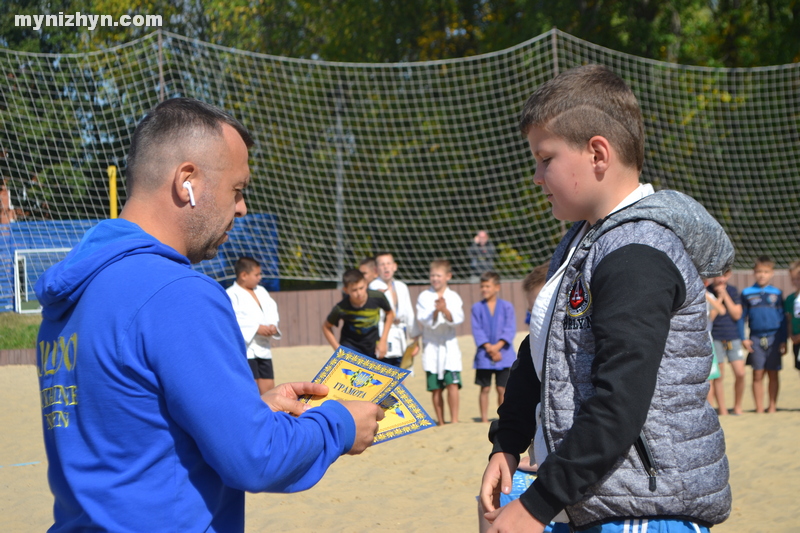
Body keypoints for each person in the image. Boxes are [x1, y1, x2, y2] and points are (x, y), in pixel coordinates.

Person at [34, 98, 384, 532]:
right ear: (188, 181)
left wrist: (246, 409)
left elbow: (132, 435)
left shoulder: (73, 292)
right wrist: (341, 424)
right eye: (237, 190)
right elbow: (257, 458)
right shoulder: (177, 292)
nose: (241, 208)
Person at [479, 65, 732, 533]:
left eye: (545, 158)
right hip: (594, 503)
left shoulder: (638, 253)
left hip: (642, 511)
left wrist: (537, 505)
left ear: (597, 153)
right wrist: (507, 443)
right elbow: (541, 353)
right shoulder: (583, 242)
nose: (536, 176)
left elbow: (621, 403)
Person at [416, 259, 464, 425]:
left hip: (449, 344)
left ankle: (455, 420)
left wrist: (445, 310)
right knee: (436, 386)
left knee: (452, 384)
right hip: (432, 345)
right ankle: (441, 421)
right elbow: (424, 319)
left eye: (439, 275)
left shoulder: (453, 296)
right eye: (432, 275)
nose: (435, 278)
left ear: (448, 276)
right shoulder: (424, 296)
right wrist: (436, 311)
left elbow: (457, 319)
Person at [227, 256, 282, 394]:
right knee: (252, 386)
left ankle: (271, 413)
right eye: (256, 274)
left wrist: (272, 326)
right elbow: (234, 319)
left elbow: (271, 309)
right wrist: (256, 328)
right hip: (247, 348)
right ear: (244, 275)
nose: (260, 277)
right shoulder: (231, 294)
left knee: (269, 386)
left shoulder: (261, 291)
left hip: (263, 347)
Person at [741, 255, 787, 413]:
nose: (762, 275)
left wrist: (783, 340)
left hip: (774, 338)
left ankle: (772, 405)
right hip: (755, 338)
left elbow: (783, 319)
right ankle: (759, 407)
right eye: (759, 271)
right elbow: (741, 318)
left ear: (772, 273)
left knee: (773, 373)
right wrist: (743, 338)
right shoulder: (747, 293)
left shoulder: (777, 293)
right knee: (757, 373)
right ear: (754, 272)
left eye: (766, 272)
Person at [472, 271, 517, 423]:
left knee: (502, 389)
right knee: (484, 388)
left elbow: (510, 328)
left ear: (497, 287)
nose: (484, 289)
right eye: (482, 286)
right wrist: (489, 348)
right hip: (485, 355)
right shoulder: (477, 308)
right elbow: (477, 330)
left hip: (503, 354)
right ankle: (484, 419)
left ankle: (503, 418)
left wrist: (497, 347)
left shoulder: (507, 307)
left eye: (488, 286)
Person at [323, 268, 395, 359]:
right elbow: (326, 327)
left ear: (366, 284)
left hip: (371, 346)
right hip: (350, 347)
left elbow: (390, 314)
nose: (359, 293)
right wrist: (337, 349)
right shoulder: (341, 307)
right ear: (346, 290)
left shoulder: (378, 297)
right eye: (354, 290)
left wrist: (383, 340)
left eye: (361, 288)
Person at [369, 251, 418, 367]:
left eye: (388, 263)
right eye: (382, 264)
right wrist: (381, 341)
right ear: (376, 269)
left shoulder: (401, 287)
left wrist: (415, 340)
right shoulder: (374, 287)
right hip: (382, 334)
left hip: (400, 335)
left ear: (394, 266)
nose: (386, 267)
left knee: (401, 375)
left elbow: (409, 314)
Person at [709, 270, 745, 415]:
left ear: (729, 275)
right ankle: (722, 409)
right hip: (715, 336)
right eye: (718, 274)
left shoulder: (733, 290)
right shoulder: (707, 290)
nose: (721, 278)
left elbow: (737, 314)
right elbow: (711, 316)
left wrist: (725, 295)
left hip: (732, 336)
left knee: (740, 373)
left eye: (724, 275)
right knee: (719, 376)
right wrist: (718, 298)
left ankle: (737, 406)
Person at [785, 260, 800, 370]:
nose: (796, 281)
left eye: (798, 278)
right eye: (793, 279)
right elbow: (790, 319)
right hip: (797, 342)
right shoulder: (790, 299)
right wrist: (791, 334)